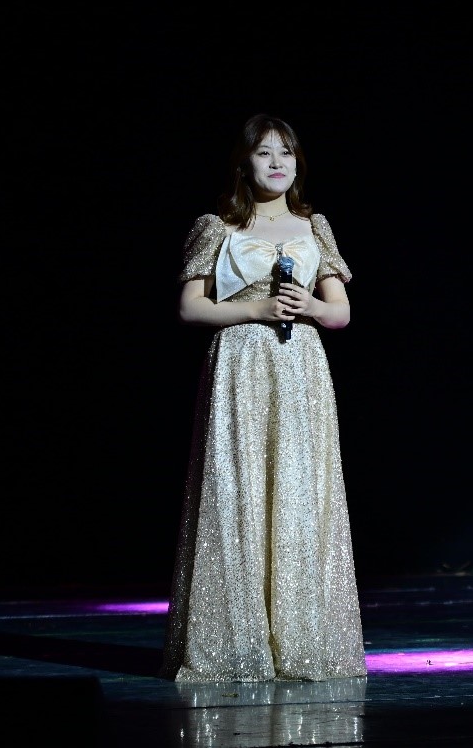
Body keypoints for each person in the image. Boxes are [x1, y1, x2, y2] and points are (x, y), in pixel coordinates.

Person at [160, 114, 367, 682]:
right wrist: (255, 308)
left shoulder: (314, 226)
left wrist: (312, 307)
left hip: (300, 369)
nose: (277, 162)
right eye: (264, 152)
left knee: (299, 493)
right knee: (239, 490)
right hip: (241, 364)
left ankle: (301, 642)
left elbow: (341, 312)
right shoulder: (217, 226)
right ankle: (236, 646)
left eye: (287, 152)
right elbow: (190, 307)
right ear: (243, 163)